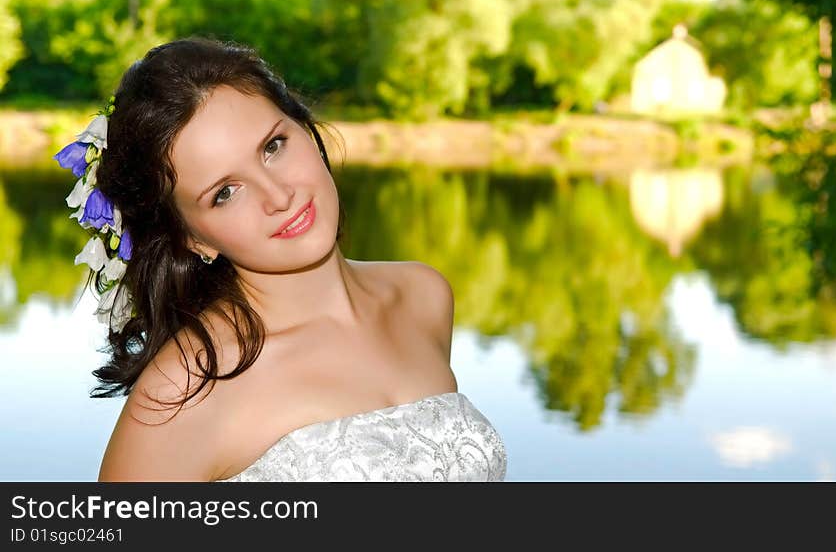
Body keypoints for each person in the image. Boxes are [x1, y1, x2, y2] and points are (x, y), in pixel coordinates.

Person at [54, 36, 506, 481]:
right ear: (191, 238)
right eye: (224, 193)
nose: (279, 196)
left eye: (273, 146)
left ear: (305, 128)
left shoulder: (422, 296)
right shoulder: (185, 388)